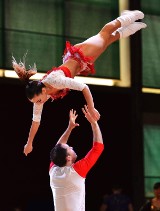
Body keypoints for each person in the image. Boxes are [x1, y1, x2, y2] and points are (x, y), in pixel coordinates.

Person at [12, 10, 147, 156]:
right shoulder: (41, 96)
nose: (38, 103)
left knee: (105, 33)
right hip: (80, 64)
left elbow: (84, 87)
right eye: (35, 102)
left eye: (37, 100)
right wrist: (29, 142)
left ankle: (131, 15)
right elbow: (35, 121)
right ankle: (133, 24)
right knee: (107, 41)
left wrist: (92, 108)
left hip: (80, 55)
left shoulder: (55, 81)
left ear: (43, 91)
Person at [49, 105, 104, 211]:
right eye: (69, 148)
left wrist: (70, 128)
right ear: (68, 158)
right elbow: (98, 148)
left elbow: (58, 148)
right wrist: (94, 123)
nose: (72, 147)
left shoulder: (54, 171)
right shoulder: (76, 171)